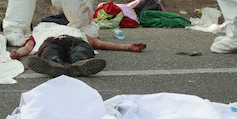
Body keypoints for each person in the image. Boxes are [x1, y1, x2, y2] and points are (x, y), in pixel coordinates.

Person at [10, 21, 146, 77]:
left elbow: (99, 43)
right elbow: (28, 47)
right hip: (51, 42)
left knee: (81, 50)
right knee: (50, 51)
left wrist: (127, 46)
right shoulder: (39, 32)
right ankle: (53, 64)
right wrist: (18, 53)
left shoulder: (75, 31)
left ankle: (80, 64)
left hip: (75, 41)